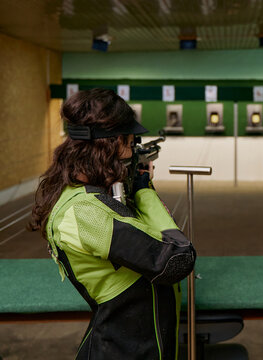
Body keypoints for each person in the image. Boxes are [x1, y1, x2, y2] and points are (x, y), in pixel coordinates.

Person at [29, 88, 196, 359]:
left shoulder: (92, 196)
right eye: (130, 143)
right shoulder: (84, 212)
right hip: (124, 350)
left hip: (141, 343)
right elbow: (176, 260)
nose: (132, 152)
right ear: (109, 145)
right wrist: (144, 190)